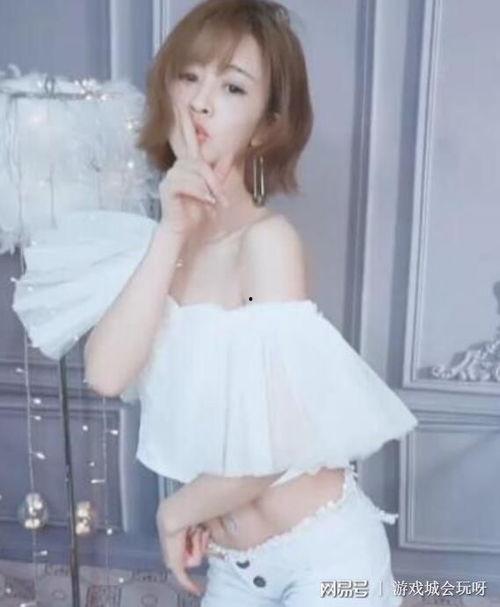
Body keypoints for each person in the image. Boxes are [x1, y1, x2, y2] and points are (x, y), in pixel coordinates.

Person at [11, 0, 418, 605]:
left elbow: (276, 447)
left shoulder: (267, 244)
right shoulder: (154, 245)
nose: (202, 102)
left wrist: (174, 511)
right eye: (190, 76)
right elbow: (106, 373)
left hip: (327, 557)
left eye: (232, 87)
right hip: (233, 565)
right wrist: (173, 231)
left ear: (265, 125)